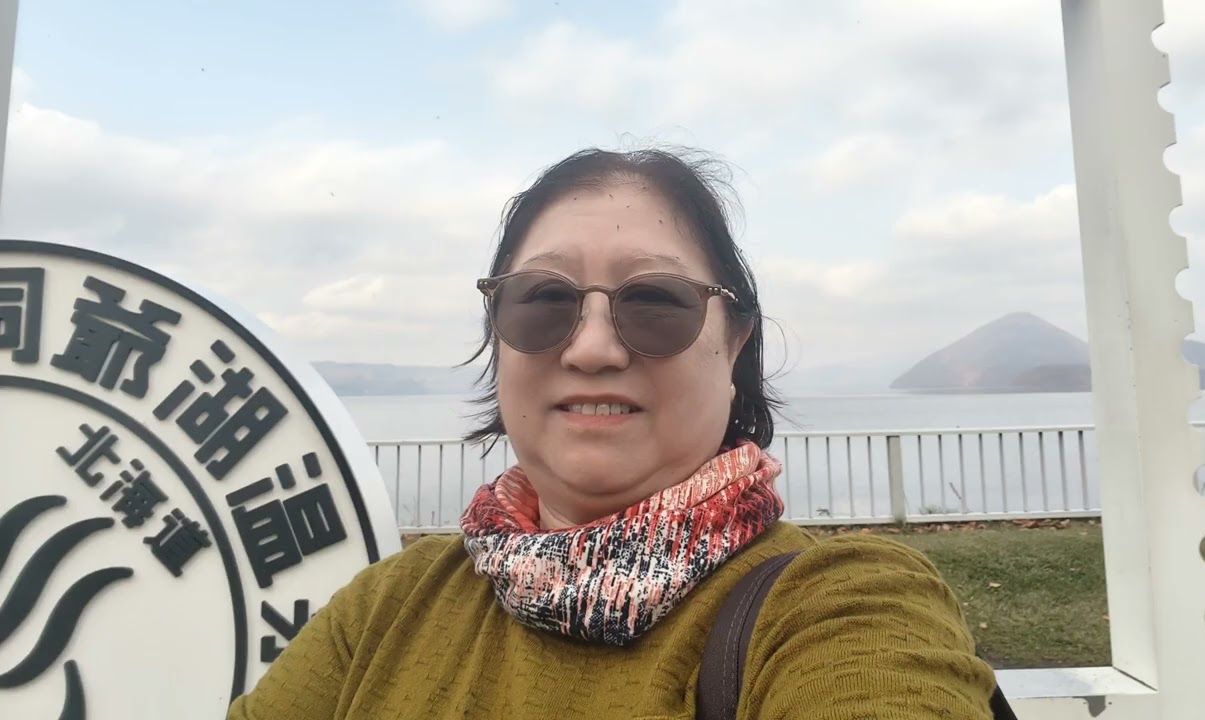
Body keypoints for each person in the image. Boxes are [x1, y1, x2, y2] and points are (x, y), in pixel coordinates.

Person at [226, 147, 997, 719]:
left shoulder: (839, 606)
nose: (592, 348)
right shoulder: (391, 605)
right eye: (543, 300)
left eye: (655, 301)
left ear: (735, 345)